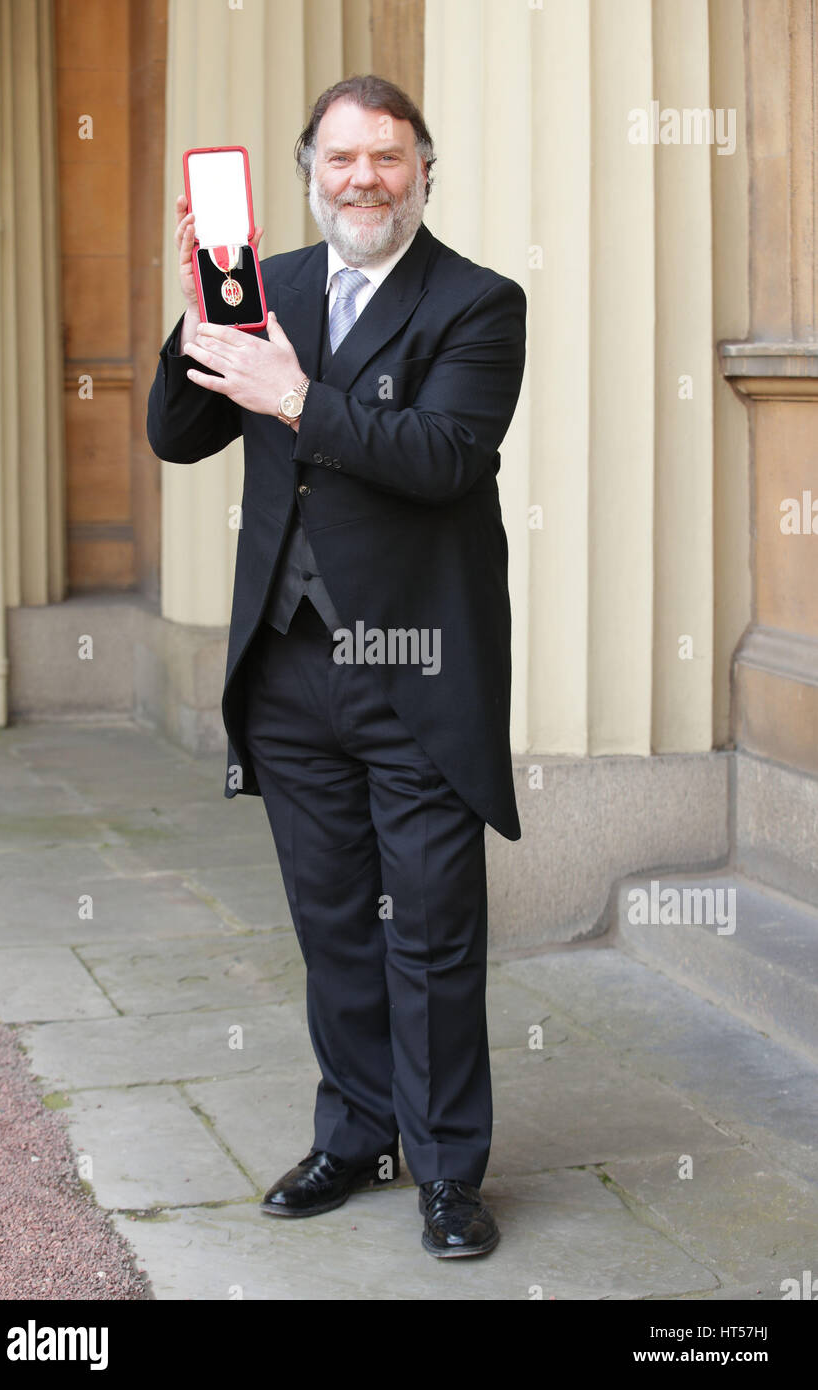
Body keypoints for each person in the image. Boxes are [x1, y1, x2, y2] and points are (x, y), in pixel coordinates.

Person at [146, 75, 526, 1259]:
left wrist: (299, 396)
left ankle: (449, 1172)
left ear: (423, 170)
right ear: (309, 168)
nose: (366, 177)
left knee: (432, 930)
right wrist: (201, 313)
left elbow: (445, 457)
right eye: (345, 157)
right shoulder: (274, 289)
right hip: (292, 669)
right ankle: (356, 1131)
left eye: (390, 157)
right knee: (333, 924)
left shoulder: (477, 302)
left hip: (416, 667)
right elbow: (178, 432)